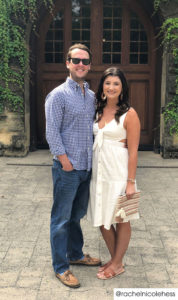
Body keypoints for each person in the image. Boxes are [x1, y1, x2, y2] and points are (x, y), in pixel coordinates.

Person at [45, 43, 101, 289]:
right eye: (76, 60)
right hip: (67, 169)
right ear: (67, 63)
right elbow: (51, 132)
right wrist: (65, 161)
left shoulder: (90, 96)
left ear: (90, 65)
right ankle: (61, 267)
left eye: (85, 61)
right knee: (60, 218)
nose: (81, 65)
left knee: (76, 216)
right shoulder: (58, 95)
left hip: (85, 168)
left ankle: (76, 254)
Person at [87, 67, 140, 280]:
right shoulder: (97, 110)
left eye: (116, 84)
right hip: (99, 173)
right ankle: (115, 258)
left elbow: (134, 151)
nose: (111, 87)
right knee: (101, 217)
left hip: (120, 174)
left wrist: (130, 182)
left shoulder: (130, 113)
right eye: (108, 83)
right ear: (102, 87)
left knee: (122, 218)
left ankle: (117, 263)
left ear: (122, 88)